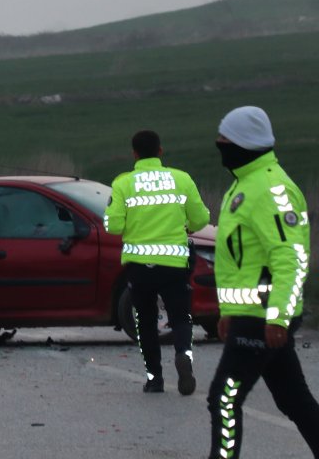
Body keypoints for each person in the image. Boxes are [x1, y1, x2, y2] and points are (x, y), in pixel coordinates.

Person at [205, 106, 319, 459]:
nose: (219, 145)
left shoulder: (270, 189)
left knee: (223, 398)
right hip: (251, 314)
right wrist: (227, 312)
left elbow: (292, 257)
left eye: (224, 139)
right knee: (293, 399)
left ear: (243, 143)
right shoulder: (246, 184)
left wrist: (278, 317)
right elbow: (241, 261)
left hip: (264, 317)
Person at [103, 130, 209, 395]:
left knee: (146, 322)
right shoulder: (181, 179)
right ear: (161, 151)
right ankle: (184, 354)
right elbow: (200, 220)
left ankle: (154, 379)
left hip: (139, 266)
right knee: (181, 318)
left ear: (134, 154)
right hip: (174, 262)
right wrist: (184, 223)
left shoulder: (123, 183)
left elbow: (113, 226)